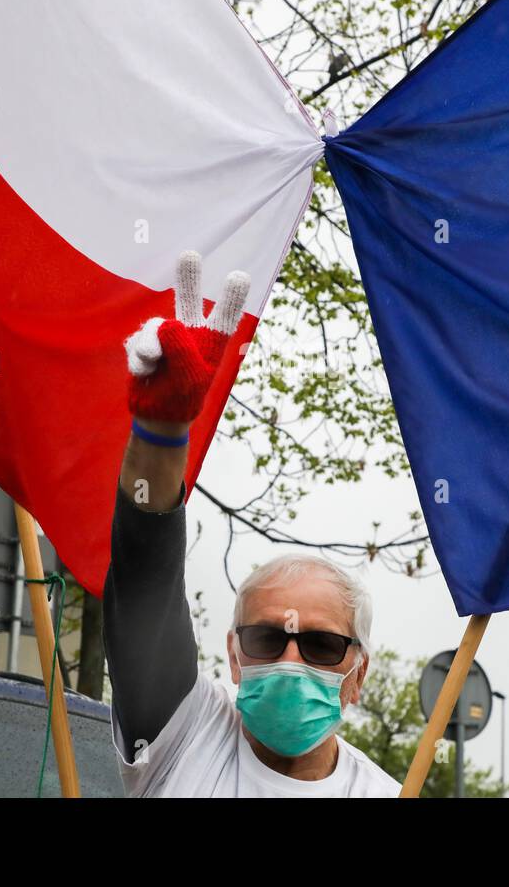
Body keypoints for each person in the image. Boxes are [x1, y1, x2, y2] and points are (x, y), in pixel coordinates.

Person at [101, 250, 401, 797]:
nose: (289, 661)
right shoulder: (180, 734)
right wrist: (161, 431)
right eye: (265, 639)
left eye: (322, 646)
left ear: (358, 674)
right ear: (235, 656)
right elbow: (143, 578)